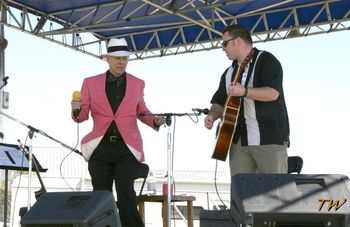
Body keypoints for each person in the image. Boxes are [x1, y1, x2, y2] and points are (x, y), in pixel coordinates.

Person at [71, 38, 165, 227]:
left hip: (126, 148)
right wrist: (75, 109)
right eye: (117, 58)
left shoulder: (138, 83)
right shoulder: (90, 83)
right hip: (100, 147)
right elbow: (82, 117)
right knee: (101, 196)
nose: (121, 62)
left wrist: (154, 120)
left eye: (125, 58)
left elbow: (142, 111)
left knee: (125, 192)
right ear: (107, 59)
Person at [204, 24, 290, 176]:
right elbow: (218, 101)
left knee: (274, 194)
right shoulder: (229, 72)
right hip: (237, 142)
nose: (223, 48)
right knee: (241, 193)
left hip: (268, 139)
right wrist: (212, 115)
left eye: (225, 43)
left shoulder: (266, 60)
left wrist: (244, 91)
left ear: (237, 41)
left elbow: (272, 94)